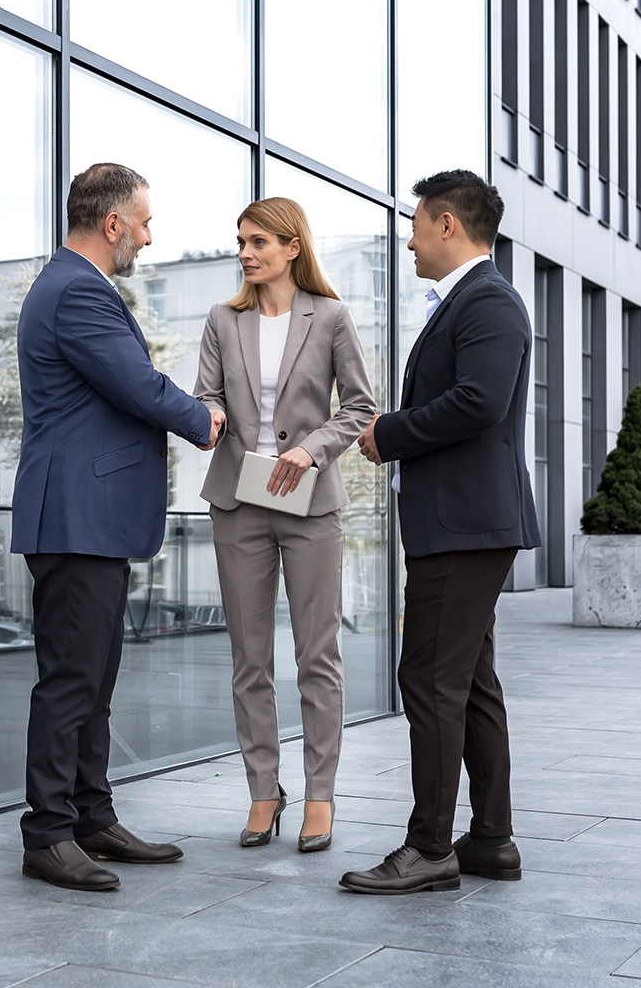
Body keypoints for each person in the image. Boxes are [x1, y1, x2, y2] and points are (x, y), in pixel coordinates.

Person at [12, 162, 225, 891]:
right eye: (143, 221)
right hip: (76, 518)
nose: (148, 235)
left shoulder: (77, 286)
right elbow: (136, 386)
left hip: (89, 518)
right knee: (71, 680)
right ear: (112, 224)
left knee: (93, 679)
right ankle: (46, 833)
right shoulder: (76, 291)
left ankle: (90, 817)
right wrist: (203, 419)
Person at [340, 169, 540, 896]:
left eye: (418, 227)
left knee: (427, 678)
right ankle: (490, 839)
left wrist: (389, 433)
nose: (412, 241)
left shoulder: (487, 302)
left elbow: (479, 402)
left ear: (448, 225)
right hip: (460, 523)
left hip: (461, 527)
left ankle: (429, 848)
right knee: (469, 681)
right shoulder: (473, 301)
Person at [194, 197, 375, 852]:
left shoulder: (328, 316)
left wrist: (311, 449)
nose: (245, 253)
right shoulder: (223, 319)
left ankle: (320, 795)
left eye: (258, 242)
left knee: (317, 655)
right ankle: (263, 793)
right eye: (240, 241)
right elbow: (206, 395)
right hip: (239, 502)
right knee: (249, 658)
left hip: (309, 503)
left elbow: (360, 407)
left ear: (292, 247)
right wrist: (208, 416)